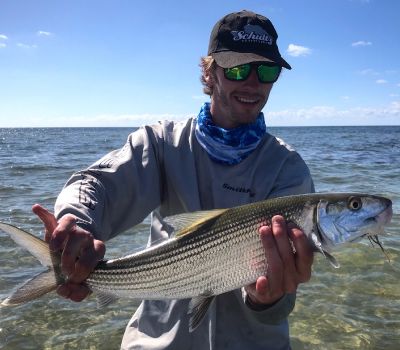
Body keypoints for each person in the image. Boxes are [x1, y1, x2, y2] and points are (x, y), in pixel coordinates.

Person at [33, 10, 315, 350]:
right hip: (158, 341)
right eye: (238, 68)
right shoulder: (162, 144)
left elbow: (279, 306)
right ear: (210, 73)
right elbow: (98, 184)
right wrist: (76, 221)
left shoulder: (288, 168)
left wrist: (266, 299)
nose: (253, 83)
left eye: (267, 70)